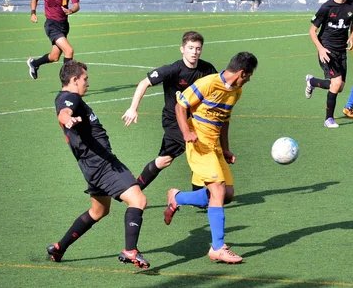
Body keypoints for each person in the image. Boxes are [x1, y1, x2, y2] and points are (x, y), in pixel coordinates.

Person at [48, 60, 150, 269]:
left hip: (91, 166)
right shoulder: (70, 97)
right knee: (138, 200)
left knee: (99, 211)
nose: (88, 83)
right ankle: (130, 250)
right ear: (74, 80)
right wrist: (67, 119)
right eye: (85, 79)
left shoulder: (68, 98)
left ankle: (59, 247)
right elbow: (64, 112)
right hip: (102, 164)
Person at [165, 52, 258, 264]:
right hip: (198, 144)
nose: (249, 80)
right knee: (217, 189)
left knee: (227, 195)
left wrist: (226, 148)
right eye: (249, 75)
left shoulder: (236, 91)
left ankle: (177, 198)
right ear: (242, 72)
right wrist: (186, 133)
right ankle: (218, 247)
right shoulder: (207, 83)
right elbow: (180, 107)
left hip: (214, 146)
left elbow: (224, 120)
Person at [122, 31, 217, 191]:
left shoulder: (207, 69)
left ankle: (134, 190)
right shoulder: (173, 70)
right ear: (182, 49)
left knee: (164, 160)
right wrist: (133, 108)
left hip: (195, 121)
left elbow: (216, 88)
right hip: (174, 121)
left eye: (198, 48)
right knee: (199, 148)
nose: (194, 52)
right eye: (191, 48)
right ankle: (201, 196)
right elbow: (144, 83)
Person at [304, 0, 353, 128]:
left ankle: (312, 81)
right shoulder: (326, 8)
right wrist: (321, 49)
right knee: (335, 84)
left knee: (339, 86)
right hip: (327, 50)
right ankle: (328, 119)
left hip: (341, 51)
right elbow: (312, 31)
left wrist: (352, 36)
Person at [27, 0, 80, 80]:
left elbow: (77, 5)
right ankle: (67, 82)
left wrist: (71, 10)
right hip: (51, 25)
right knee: (69, 50)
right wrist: (33, 13)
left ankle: (34, 64)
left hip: (64, 25)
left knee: (54, 57)